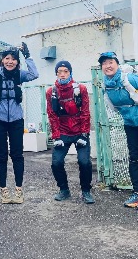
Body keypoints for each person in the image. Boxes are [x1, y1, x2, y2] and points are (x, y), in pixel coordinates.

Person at [99, 51, 138, 210]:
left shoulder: (129, 78)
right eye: (104, 63)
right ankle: (136, 193)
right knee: (133, 158)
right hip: (130, 123)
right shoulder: (106, 85)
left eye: (110, 62)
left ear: (117, 64)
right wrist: (130, 115)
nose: (107, 66)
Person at [0, 43, 39, 204]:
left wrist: (28, 56)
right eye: (7, 58)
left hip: (17, 119)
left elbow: (34, 74)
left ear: (17, 62)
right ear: (2, 60)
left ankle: (18, 190)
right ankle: (3, 190)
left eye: (13, 59)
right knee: (1, 155)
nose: (10, 61)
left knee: (17, 154)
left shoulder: (20, 74)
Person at [46, 61, 95, 204]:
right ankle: (64, 190)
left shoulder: (80, 89)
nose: (62, 74)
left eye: (65, 71)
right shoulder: (51, 92)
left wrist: (84, 133)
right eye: (59, 71)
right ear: (56, 73)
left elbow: (85, 112)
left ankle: (86, 191)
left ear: (70, 72)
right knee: (56, 162)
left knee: (84, 162)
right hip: (63, 132)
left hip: (80, 130)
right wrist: (56, 136)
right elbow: (52, 115)